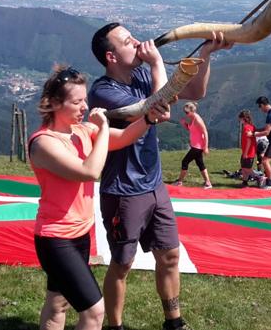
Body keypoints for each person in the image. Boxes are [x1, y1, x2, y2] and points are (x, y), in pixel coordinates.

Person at [88, 22, 231, 330]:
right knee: (122, 263)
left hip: (154, 184)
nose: (138, 42)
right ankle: (115, 326)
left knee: (169, 256)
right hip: (123, 189)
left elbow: (196, 91)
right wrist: (156, 63)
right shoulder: (103, 91)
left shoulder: (141, 74)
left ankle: (174, 322)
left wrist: (206, 52)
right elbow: (159, 108)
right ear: (111, 57)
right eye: (128, 41)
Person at [29, 65, 162, 330]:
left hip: (79, 234)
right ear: (54, 103)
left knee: (58, 303)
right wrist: (101, 129)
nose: (84, 107)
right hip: (55, 239)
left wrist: (148, 119)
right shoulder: (44, 143)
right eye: (77, 102)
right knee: (94, 312)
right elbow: (89, 172)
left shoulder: (82, 130)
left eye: (85, 100)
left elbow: (124, 137)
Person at [173, 102, 212, 189]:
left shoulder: (197, 120)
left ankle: (180, 181)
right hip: (195, 145)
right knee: (200, 163)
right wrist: (184, 124)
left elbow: (205, 132)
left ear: (192, 111)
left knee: (185, 162)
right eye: (185, 112)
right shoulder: (192, 118)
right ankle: (208, 183)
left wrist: (205, 147)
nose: (186, 114)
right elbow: (192, 130)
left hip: (198, 146)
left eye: (187, 112)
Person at [238, 109, 257, 188]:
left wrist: (245, 153)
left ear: (243, 118)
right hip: (248, 151)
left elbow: (249, 141)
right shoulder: (252, 126)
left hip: (248, 152)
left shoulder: (246, 128)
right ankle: (245, 182)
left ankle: (258, 177)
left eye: (240, 119)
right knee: (243, 167)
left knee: (247, 168)